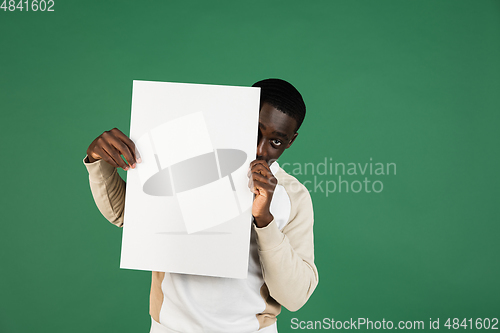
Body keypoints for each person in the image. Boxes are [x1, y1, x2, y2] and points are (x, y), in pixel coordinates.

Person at [83, 78, 318, 333]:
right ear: (238, 113)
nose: (259, 150)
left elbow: (295, 297)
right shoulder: (190, 159)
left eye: (276, 142)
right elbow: (123, 214)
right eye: (254, 131)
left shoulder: (293, 195)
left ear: (290, 141)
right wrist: (100, 161)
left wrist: (264, 219)